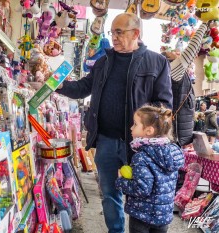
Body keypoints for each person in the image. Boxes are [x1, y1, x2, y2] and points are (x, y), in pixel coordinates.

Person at [56, 13, 172, 233]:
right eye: (113, 32)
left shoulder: (157, 62)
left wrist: (146, 129)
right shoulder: (104, 61)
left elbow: (164, 105)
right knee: (109, 194)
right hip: (107, 141)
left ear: (136, 33)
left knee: (143, 196)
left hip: (141, 147)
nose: (115, 37)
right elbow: (83, 87)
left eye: (119, 32)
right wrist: (58, 85)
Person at [116, 105, 184, 233]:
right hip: (163, 216)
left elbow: (142, 189)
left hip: (142, 215)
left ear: (149, 131)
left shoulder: (141, 156)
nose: (131, 127)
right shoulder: (172, 154)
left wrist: (121, 181)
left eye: (135, 124)